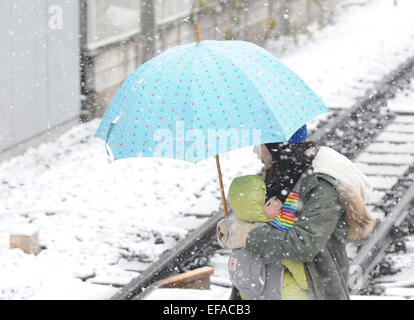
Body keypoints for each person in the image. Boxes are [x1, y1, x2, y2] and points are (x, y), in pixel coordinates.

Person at [217, 125, 377, 300]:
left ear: (278, 145)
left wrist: (247, 235)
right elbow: (268, 223)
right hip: (268, 286)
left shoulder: (322, 186)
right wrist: (235, 226)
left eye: (260, 143)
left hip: (311, 292)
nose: (255, 151)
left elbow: (304, 244)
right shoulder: (283, 173)